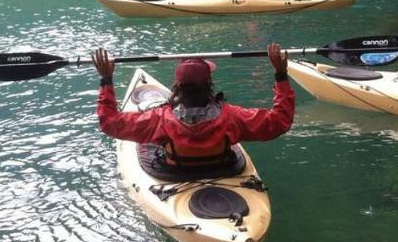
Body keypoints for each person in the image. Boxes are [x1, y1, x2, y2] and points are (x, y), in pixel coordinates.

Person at [92, 43, 294, 169]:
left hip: (175, 173)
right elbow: (280, 121)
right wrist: (280, 75)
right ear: (208, 84)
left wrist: (106, 81)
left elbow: (109, 122)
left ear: (178, 87)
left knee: (148, 143)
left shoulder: (158, 119)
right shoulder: (233, 117)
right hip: (221, 169)